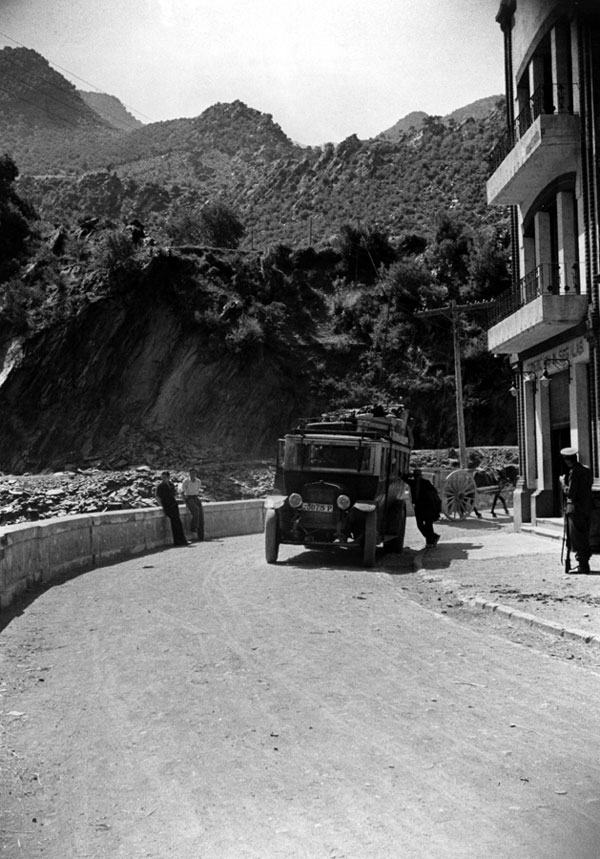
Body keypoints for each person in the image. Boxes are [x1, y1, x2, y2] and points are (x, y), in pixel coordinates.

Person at [560, 447, 593, 574]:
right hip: (586, 508)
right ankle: (584, 564)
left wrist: (563, 483)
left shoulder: (574, 472)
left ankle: (583, 566)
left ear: (567, 460)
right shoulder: (586, 470)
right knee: (584, 536)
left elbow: (571, 493)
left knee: (577, 538)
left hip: (575, 509)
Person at [402, 468, 442, 548]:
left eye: (418, 475)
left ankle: (430, 542)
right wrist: (409, 475)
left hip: (427, 506)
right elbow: (404, 478)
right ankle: (433, 537)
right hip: (419, 506)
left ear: (420, 476)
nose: (417, 477)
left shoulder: (426, 483)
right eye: (415, 476)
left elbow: (434, 492)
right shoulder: (412, 483)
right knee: (420, 525)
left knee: (428, 525)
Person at [156, 471, 188, 547]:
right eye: (162, 478)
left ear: (168, 477)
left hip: (173, 505)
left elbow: (174, 495)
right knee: (175, 523)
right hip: (168, 506)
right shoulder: (160, 486)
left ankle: (182, 541)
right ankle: (177, 542)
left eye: (165, 477)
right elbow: (157, 497)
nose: (163, 479)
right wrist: (162, 507)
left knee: (178, 523)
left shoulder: (171, 485)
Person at [180, 467, 204, 541]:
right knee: (196, 511)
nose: (192, 474)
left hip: (195, 497)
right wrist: (185, 501)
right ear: (189, 473)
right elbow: (182, 492)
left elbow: (197, 490)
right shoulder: (186, 481)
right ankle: (193, 527)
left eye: (194, 473)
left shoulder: (198, 481)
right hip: (189, 498)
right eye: (191, 473)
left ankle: (201, 535)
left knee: (201, 515)